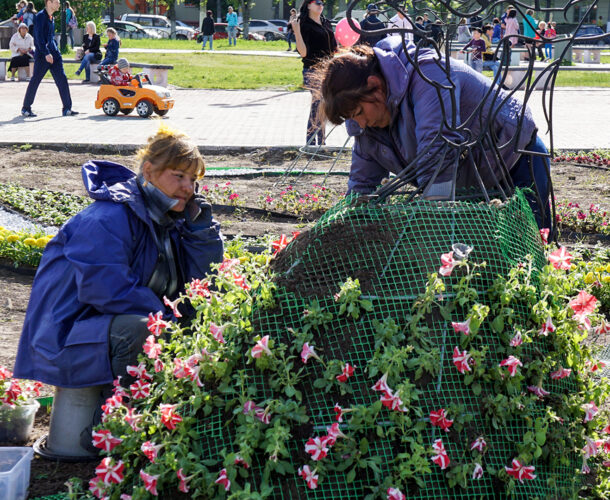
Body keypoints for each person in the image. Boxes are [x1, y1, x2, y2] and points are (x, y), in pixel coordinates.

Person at [13, 126, 223, 396]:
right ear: (148, 172)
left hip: (105, 325)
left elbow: (204, 285)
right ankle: (115, 426)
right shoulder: (108, 217)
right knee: (143, 330)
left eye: (193, 179)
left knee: (200, 326)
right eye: (179, 176)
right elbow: (106, 289)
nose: (188, 188)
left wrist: (201, 233)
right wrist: (168, 320)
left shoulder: (170, 217)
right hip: (66, 334)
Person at [315, 39, 552, 230]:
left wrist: (432, 224)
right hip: (470, 179)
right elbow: (362, 184)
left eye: (358, 112)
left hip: (515, 157)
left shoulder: (427, 74)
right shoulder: (368, 124)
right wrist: (348, 225)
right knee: (478, 267)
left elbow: (438, 150)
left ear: (375, 85)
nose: (361, 124)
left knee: (530, 246)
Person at [291, 0, 337, 146]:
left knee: (322, 104)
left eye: (322, 2)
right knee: (318, 102)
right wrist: (296, 31)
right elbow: (303, 53)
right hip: (312, 69)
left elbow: (334, 48)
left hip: (327, 69)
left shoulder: (326, 22)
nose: (321, 4)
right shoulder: (304, 25)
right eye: (317, 2)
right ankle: (312, 143)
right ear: (309, 5)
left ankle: (320, 142)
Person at [21, 0, 78, 117]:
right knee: (35, 80)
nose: (58, 4)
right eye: (56, 2)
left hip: (54, 55)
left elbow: (50, 37)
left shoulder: (51, 17)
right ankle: (26, 108)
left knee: (62, 80)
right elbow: (38, 37)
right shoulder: (41, 16)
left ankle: (67, 108)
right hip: (43, 56)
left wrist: (56, 52)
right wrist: (46, 53)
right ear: (49, 2)